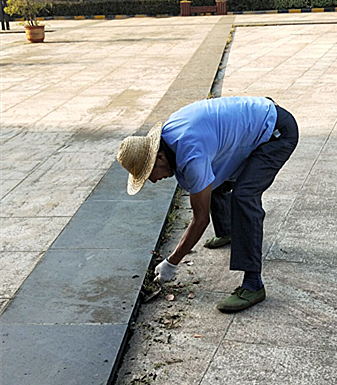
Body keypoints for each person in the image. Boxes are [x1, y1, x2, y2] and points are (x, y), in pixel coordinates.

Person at [117, 96, 298, 312]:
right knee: (209, 182)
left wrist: (172, 262)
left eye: (149, 175)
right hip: (259, 121)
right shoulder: (171, 134)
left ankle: (253, 284)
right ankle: (229, 231)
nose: (154, 181)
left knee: (244, 197)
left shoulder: (190, 153)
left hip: (276, 134)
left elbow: (200, 219)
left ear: (160, 158)